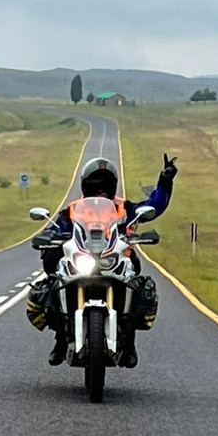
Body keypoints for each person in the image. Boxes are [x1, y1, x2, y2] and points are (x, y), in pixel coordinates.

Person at [31, 153, 177, 367]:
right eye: (96, 185)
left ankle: (129, 343)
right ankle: (60, 340)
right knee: (53, 282)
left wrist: (165, 180)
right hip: (83, 257)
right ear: (86, 186)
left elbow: (154, 206)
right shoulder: (73, 210)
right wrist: (48, 236)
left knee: (139, 285)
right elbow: (54, 227)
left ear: (112, 186)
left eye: (105, 185)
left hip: (116, 258)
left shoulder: (123, 208)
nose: (101, 190)